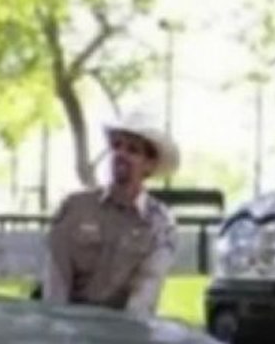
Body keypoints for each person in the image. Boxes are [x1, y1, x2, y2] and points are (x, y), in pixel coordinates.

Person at [40, 109, 178, 318]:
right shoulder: (74, 209)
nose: (121, 154)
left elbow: (144, 298)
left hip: (123, 334)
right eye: (116, 146)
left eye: (132, 150)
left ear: (149, 165)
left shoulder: (160, 226)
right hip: (69, 329)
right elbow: (55, 285)